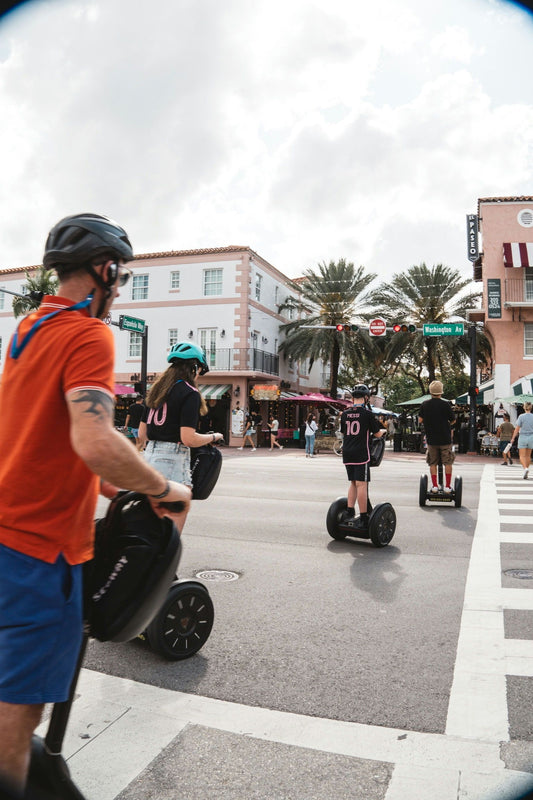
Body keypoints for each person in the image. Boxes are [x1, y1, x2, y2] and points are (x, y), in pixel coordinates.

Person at [0, 213, 191, 797]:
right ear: (104, 270)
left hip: (6, 534)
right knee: (17, 717)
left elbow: (45, 438)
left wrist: (112, 489)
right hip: (42, 552)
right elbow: (92, 437)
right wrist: (164, 489)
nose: (120, 288)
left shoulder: (27, 329)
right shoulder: (87, 334)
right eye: (122, 276)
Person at [138, 341, 225, 527]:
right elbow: (188, 438)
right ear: (194, 367)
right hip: (173, 460)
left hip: (149, 458)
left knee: (151, 523)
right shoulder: (190, 393)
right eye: (200, 370)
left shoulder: (155, 392)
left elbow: (141, 434)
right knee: (171, 530)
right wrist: (214, 437)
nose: (199, 375)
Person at [340, 384, 386, 532]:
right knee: (362, 485)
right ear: (366, 398)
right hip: (361, 453)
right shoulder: (367, 414)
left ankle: (349, 510)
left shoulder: (345, 414)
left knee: (353, 483)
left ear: (353, 398)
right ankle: (364, 517)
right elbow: (378, 434)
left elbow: (344, 432)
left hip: (347, 452)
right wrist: (383, 431)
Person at [418, 380, 455, 493]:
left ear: (430, 391)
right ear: (441, 392)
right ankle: (448, 486)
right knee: (447, 462)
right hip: (445, 439)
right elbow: (453, 420)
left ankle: (434, 486)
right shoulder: (446, 404)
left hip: (431, 439)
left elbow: (420, 420)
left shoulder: (425, 404)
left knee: (432, 463)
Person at [510, 401, 533, 479]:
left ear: (524, 407)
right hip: (531, 437)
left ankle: (525, 469)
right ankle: (526, 469)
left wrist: (513, 438)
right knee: (528, 456)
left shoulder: (521, 416)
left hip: (523, 436)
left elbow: (517, 429)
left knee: (522, 455)